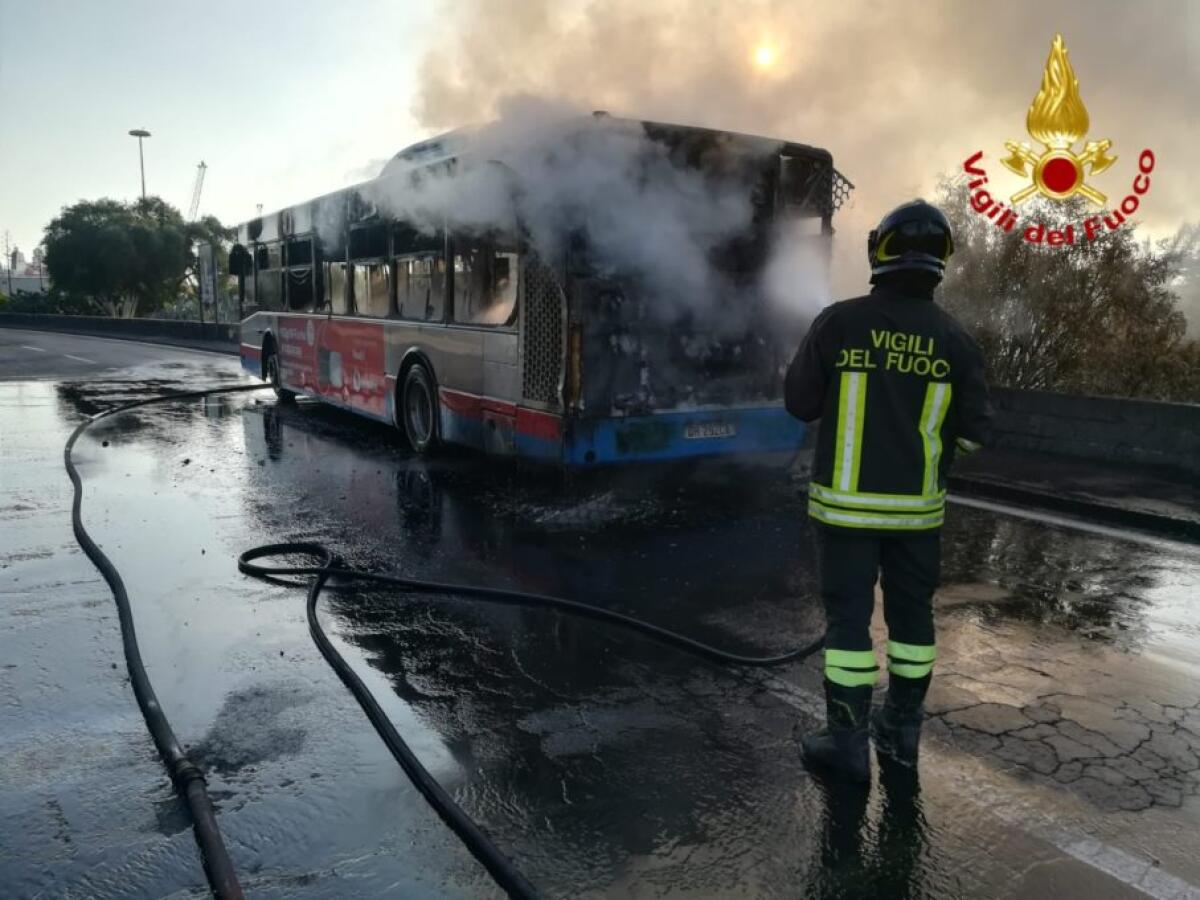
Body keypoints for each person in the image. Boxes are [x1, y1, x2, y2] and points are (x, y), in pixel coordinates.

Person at [784, 199, 992, 782]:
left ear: (880, 251)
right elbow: (976, 436)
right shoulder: (957, 341)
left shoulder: (838, 322)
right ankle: (901, 730)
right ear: (941, 260)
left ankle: (846, 744)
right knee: (912, 622)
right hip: (917, 520)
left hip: (844, 516)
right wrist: (930, 451)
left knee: (849, 623)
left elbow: (799, 404)